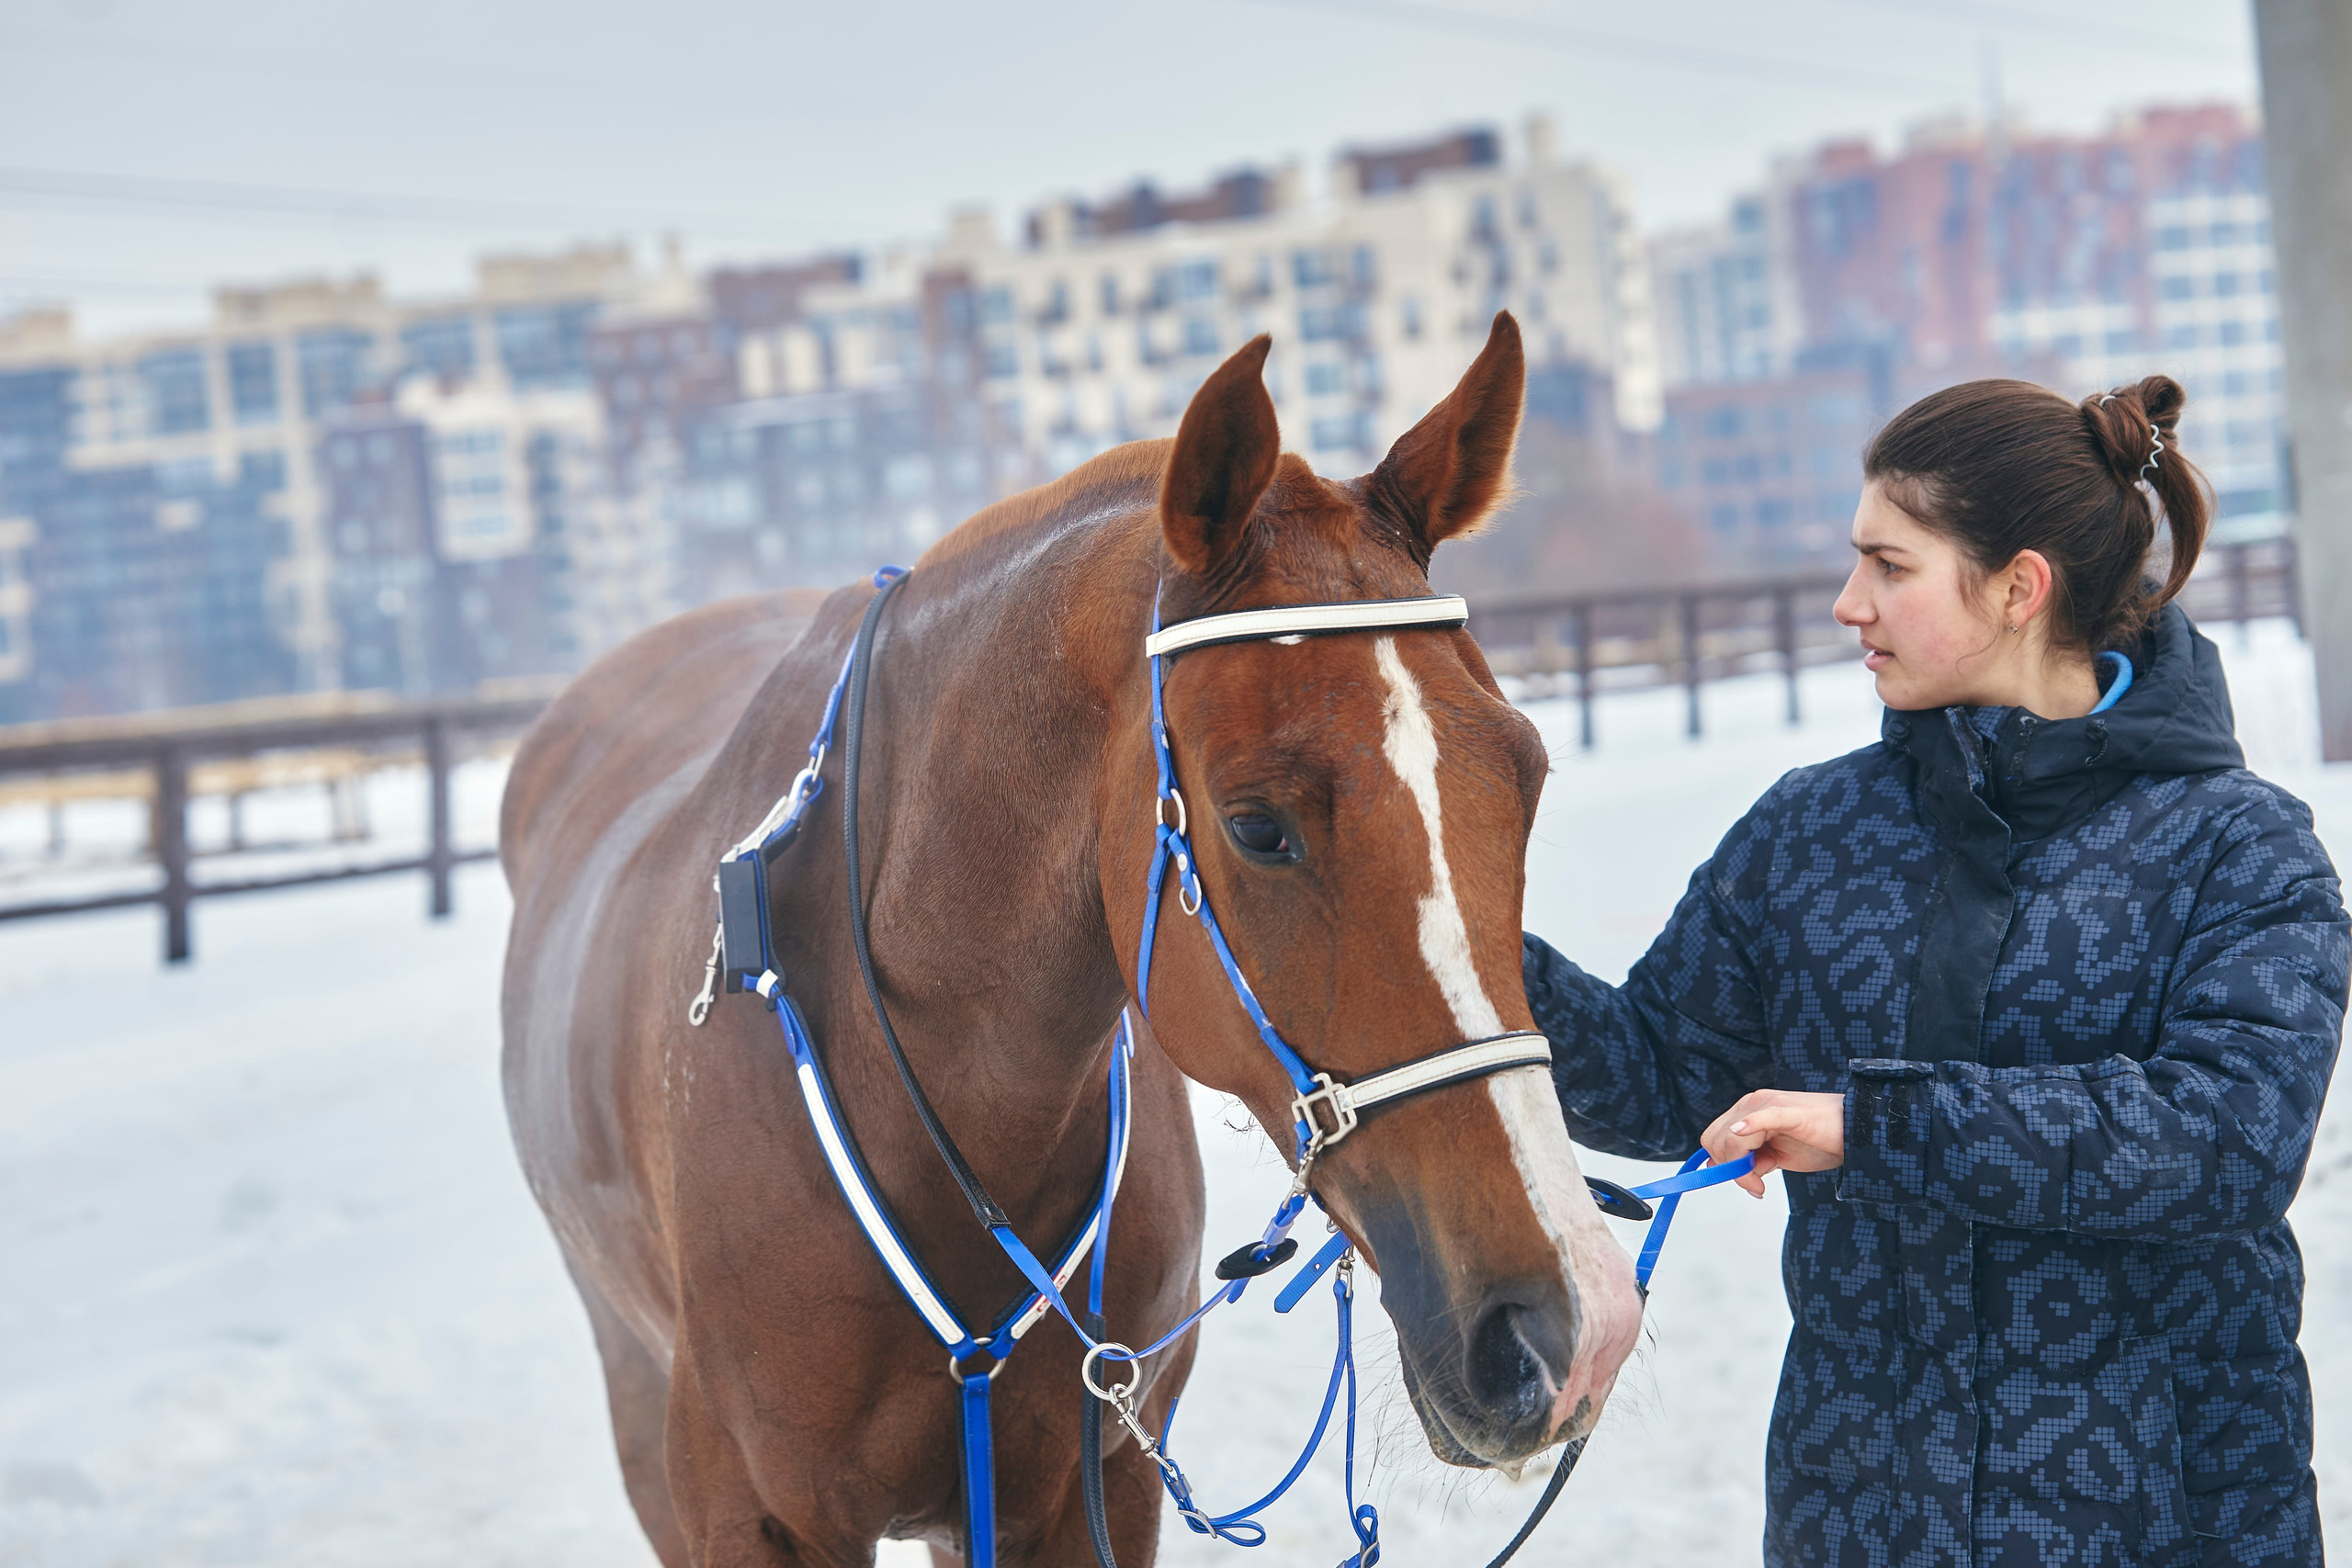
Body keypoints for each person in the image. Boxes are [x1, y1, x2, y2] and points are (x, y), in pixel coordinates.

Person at [1523, 376, 2349, 1567]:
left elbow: (2226, 1143)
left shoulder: (2238, 848)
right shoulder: (1805, 836)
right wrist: (1443, 942)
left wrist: (1874, 1125)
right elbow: (1657, 1077)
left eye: (1890, 566)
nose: (1849, 603)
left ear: (2020, 586)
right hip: (1856, 1522)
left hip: (2168, 1525)